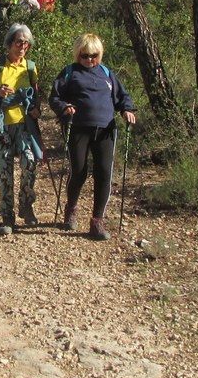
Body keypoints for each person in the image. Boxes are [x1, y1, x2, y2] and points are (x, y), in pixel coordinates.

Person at [49, 33, 136, 241]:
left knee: (104, 172)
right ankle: (71, 208)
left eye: (94, 55)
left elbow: (122, 96)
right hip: (77, 127)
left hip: (105, 129)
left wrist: (126, 110)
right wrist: (64, 107)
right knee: (79, 171)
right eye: (85, 55)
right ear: (78, 54)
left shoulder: (107, 73)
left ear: (100, 54)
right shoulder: (70, 72)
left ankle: (97, 220)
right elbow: (54, 96)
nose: (89, 60)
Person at [0, 23, 41, 236]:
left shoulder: (30, 67)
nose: (22, 46)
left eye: (25, 43)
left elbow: (36, 95)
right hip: (1, 124)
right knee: (4, 169)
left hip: (25, 125)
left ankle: (26, 205)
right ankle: (7, 215)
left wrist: (36, 109)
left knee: (30, 162)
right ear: (10, 43)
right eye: (18, 42)